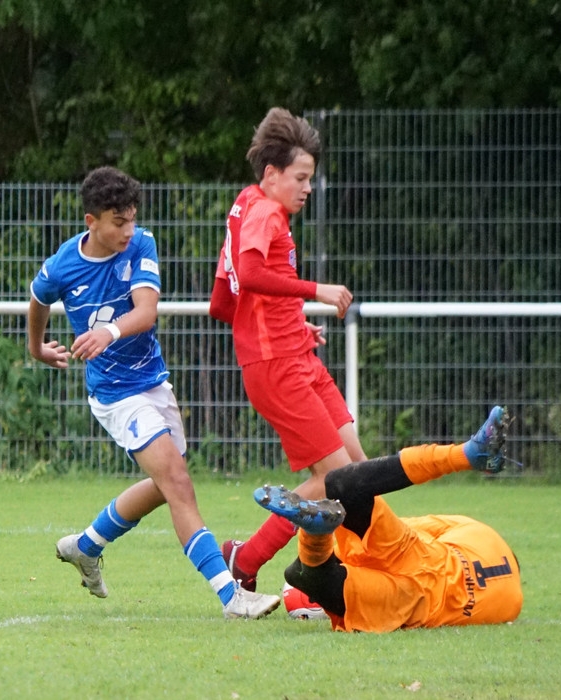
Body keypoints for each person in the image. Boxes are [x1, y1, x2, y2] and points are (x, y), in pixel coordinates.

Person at [27, 166, 280, 620]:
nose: (128, 230)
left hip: (153, 382)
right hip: (115, 395)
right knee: (179, 483)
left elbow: (146, 312)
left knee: (166, 486)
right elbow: (38, 297)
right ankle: (231, 597)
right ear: (92, 221)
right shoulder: (65, 263)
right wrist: (36, 347)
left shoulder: (142, 243)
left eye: (131, 219)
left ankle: (85, 547)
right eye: (117, 222)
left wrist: (107, 331)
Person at [209, 107, 366, 591]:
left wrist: (289, 327)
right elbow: (252, 276)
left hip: (294, 354)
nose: (307, 187)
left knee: (356, 471)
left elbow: (222, 301)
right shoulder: (264, 211)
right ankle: (255, 560)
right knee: (337, 481)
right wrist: (314, 293)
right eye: (300, 177)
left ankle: (269, 560)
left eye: (311, 178)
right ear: (272, 174)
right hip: (279, 367)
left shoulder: (245, 207)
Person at [254, 406, 523, 633]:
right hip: (419, 589)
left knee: (303, 574)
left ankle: (316, 537)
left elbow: (416, 525)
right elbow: (414, 524)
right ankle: (466, 454)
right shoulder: (506, 589)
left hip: (415, 579)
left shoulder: (506, 587)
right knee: (340, 483)